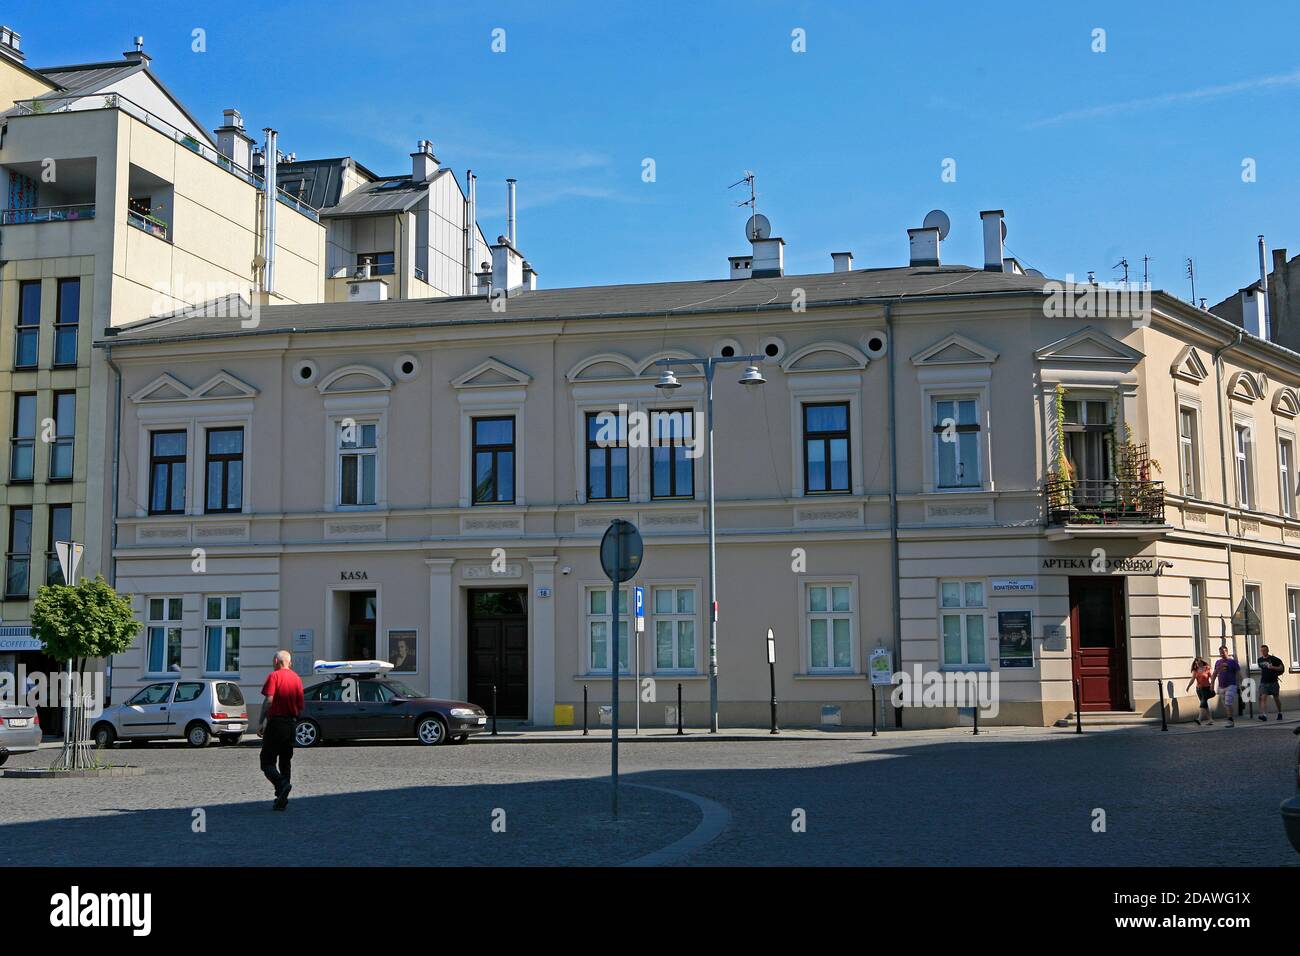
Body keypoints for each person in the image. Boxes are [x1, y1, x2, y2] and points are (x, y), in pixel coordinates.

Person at [258, 650, 305, 811]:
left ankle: (281, 784)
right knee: (285, 761)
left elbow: (269, 700)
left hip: (276, 723)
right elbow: (300, 707)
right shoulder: (297, 679)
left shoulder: (274, 676)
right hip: (291, 724)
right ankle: (282, 799)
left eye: (273, 661)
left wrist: (261, 721)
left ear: (277, 662)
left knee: (267, 761)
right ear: (289, 662)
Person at [1211, 645, 1241, 727]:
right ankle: (1231, 717)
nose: (1222, 654)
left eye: (1223, 652)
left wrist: (1241, 684)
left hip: (1231, 685)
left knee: (1228, 703)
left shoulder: (1232, 662)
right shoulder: (1218, 662)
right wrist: (1212, 684)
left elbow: (1238, 674)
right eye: (1220, 653)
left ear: (1227, 652)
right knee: (1226, 704)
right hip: (1221, 686)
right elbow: (1214, 674)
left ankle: (1230, 721)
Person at [1256, 644, 1285, 721]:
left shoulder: (1274, 659)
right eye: (1262, 651)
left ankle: (1280, 713)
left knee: (1276, 698)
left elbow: (1281, 668)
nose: (1263, 652)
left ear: (1268, 650)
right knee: (1263, 698)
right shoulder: (1259, 660)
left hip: (1273, 682)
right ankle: (1264, 715)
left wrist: (1273, 667)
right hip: (1264, 682)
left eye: (1264, 650)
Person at [1185, 656, 1215, 726]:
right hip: (1199, 689)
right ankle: (1210, 719)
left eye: (1198, 662)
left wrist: (1212, 686)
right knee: (1204, 704)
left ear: (1201, 662)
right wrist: (1188, 686)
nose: (1197, 664)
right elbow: (1192, 679)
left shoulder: (1206, 668)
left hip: (1207, 688)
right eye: (1196, 663)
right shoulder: (1195, 670)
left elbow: (1212, 678)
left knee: (1203, 702)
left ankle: (1199, 719)